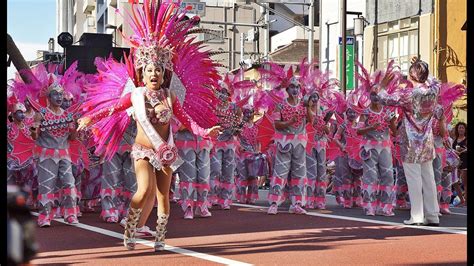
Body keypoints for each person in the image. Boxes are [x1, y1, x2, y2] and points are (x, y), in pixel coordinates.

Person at [77, 0, 220, 252]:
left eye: (158, 69)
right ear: (143, 74)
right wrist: (91, 117)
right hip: (143, 150)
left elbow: (186, 119)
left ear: (164, 73)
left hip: (165, 151)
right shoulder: (136, 95)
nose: (154, 73)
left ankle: (160, 238)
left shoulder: (170, 96)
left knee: (164, 197)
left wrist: (204, 131)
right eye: (149, 69)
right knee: (144, 190)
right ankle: (130, 230)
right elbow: (113, 109)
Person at [380, 58, 443, 226]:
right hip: (427, 141)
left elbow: (383, 99)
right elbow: (435, 80)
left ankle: (417, 216)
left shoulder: (407, 95)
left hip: (410, 142)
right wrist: (422, 65)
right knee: (429, 178)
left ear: (412, 76)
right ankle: (433, 215)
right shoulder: (434, 91)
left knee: (414, 178)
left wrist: (383, 86)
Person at [267, 76, 315, 215]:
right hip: (284, 143)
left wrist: (308, 107)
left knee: (299, 173)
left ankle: (297, 203)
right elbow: (276, 124)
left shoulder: (303, 104)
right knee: (280, 172)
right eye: (292, 87)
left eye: (297, 87)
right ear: (287, 89)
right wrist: (289, 122)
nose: (295, 89)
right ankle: (274, 203)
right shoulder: (280, 105)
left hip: (299, 144)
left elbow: (311, 120)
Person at [357, 86, 397, 216]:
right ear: (369, 96)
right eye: (373, 94)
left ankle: (385, 206)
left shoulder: (387, 112)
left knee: (388, 176)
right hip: (369, 148)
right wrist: (370, 127)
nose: (375, 97)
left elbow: (395, 132)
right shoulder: (365, 113)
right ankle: (369, 205)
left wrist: (391, 122)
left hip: (385, 148)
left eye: (377, 94)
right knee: (371, 176)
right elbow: (358, 131)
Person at [452, 122, 467, 207]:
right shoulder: (455, 139)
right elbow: (451, 149)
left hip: (465, 161)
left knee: (465, 183)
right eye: (459, 127)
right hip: (455, 163)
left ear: (465, 130)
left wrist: (462, 151)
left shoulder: (466, 139)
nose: (461, 129)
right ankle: (462, 199)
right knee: (454, 182)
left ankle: (465, 202)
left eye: (462, 128)